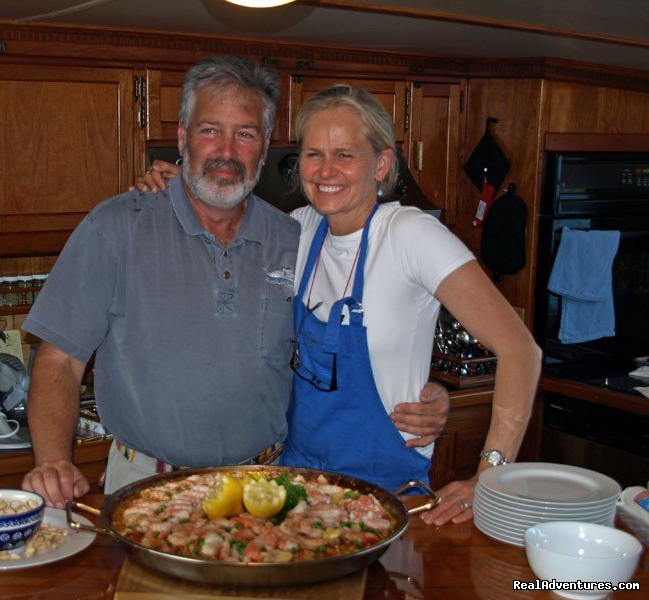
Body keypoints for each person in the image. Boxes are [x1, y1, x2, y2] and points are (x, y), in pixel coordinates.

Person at [20, 55, 448, 509]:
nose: (226, 151)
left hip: (269, 484)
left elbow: (334, 355)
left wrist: (426, 391)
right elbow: (60, 360)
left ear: (264, 148)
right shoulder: (115, 228)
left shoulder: (295, 237)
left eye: (244, 134)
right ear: (182, 139)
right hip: (148, 485)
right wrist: (52, 460)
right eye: (209, 131)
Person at [136, 83, 542, 525]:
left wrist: (489, 476)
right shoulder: (298, 229)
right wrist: (180, 188)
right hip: (295, 488)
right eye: (314, 154)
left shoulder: (410, 234)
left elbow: (522, 351)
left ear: (381, 164)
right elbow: (223, 218)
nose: (326, 171)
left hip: (386, 493)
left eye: (345, 155)